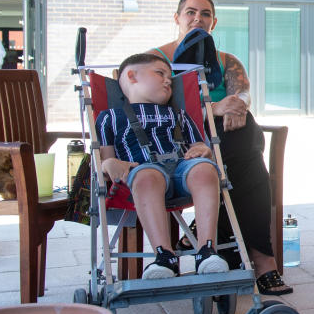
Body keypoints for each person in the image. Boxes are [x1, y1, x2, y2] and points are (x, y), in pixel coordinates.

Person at [152, 0, 291, 295]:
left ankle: (208, 234)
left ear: (214, 22)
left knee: (244, 133)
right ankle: (262, 261)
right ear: (177, 18)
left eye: (205, 14)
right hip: (174, 143)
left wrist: (236, 105)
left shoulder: (227, 61)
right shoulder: (155, 61)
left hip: (224, 141)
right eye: (190, 12)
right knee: (248, 162)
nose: (197, 19)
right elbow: (153, 112)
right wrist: (211, 110)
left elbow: (241, 95)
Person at [95, 53, 228, 279]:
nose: (168, 80)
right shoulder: (111, 117)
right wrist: (109, 163)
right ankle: (164, 255)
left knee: (206, 168)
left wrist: (203, 150)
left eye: (171, 77)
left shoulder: (179, 115)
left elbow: (197, 144)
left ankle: (206, 250)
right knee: (147, 175)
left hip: (182, 171)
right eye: (160, 74)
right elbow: (105, 160)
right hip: (142, 174)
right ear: (132, 76)